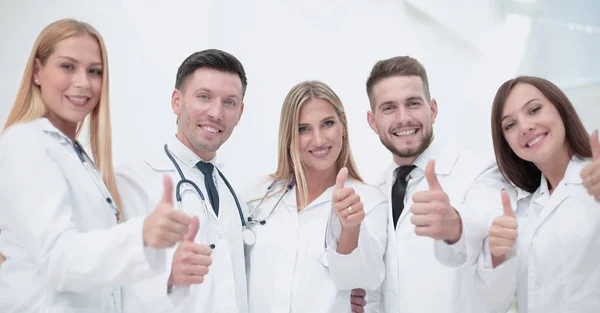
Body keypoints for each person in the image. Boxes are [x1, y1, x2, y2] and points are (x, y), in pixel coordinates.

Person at [0, 19, 192, 313]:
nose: (83, 83)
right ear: (37, 71)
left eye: (94, 71)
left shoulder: (78, 157)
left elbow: (101, 279)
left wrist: (167, 276)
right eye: (68, 66)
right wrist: (141, 233)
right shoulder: (25, 143)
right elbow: (60, 259)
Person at [355, 56, 514, 313]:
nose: (403, 118)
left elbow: (489, 229)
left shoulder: (480, 172)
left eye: (413, 103)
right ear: (373, 122)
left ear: (433, 109)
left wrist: (455, 226)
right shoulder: (375, 193)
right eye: (389, 108)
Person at [117, 49, 248, 313]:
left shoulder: (235, 195)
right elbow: (108, 284)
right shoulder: (132, 181)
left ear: (240, 112)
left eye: (229, 102)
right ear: (177, 101)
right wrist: (168, 277)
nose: (216, 113)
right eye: (204, 97)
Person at [241, 80, 387, 313]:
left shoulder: (369, 201)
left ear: (344, 125)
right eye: (303, 129)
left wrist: (350, 228)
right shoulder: (255, 195)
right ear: (289, 135)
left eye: (327, 124)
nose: (318, 140)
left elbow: (362, 281)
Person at [475, 76, 600, 312]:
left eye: (534, 109)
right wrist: (496, 257)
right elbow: (493, 304)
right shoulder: (522, 213)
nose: (525, 127)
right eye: (510, 125)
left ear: (560, 109)